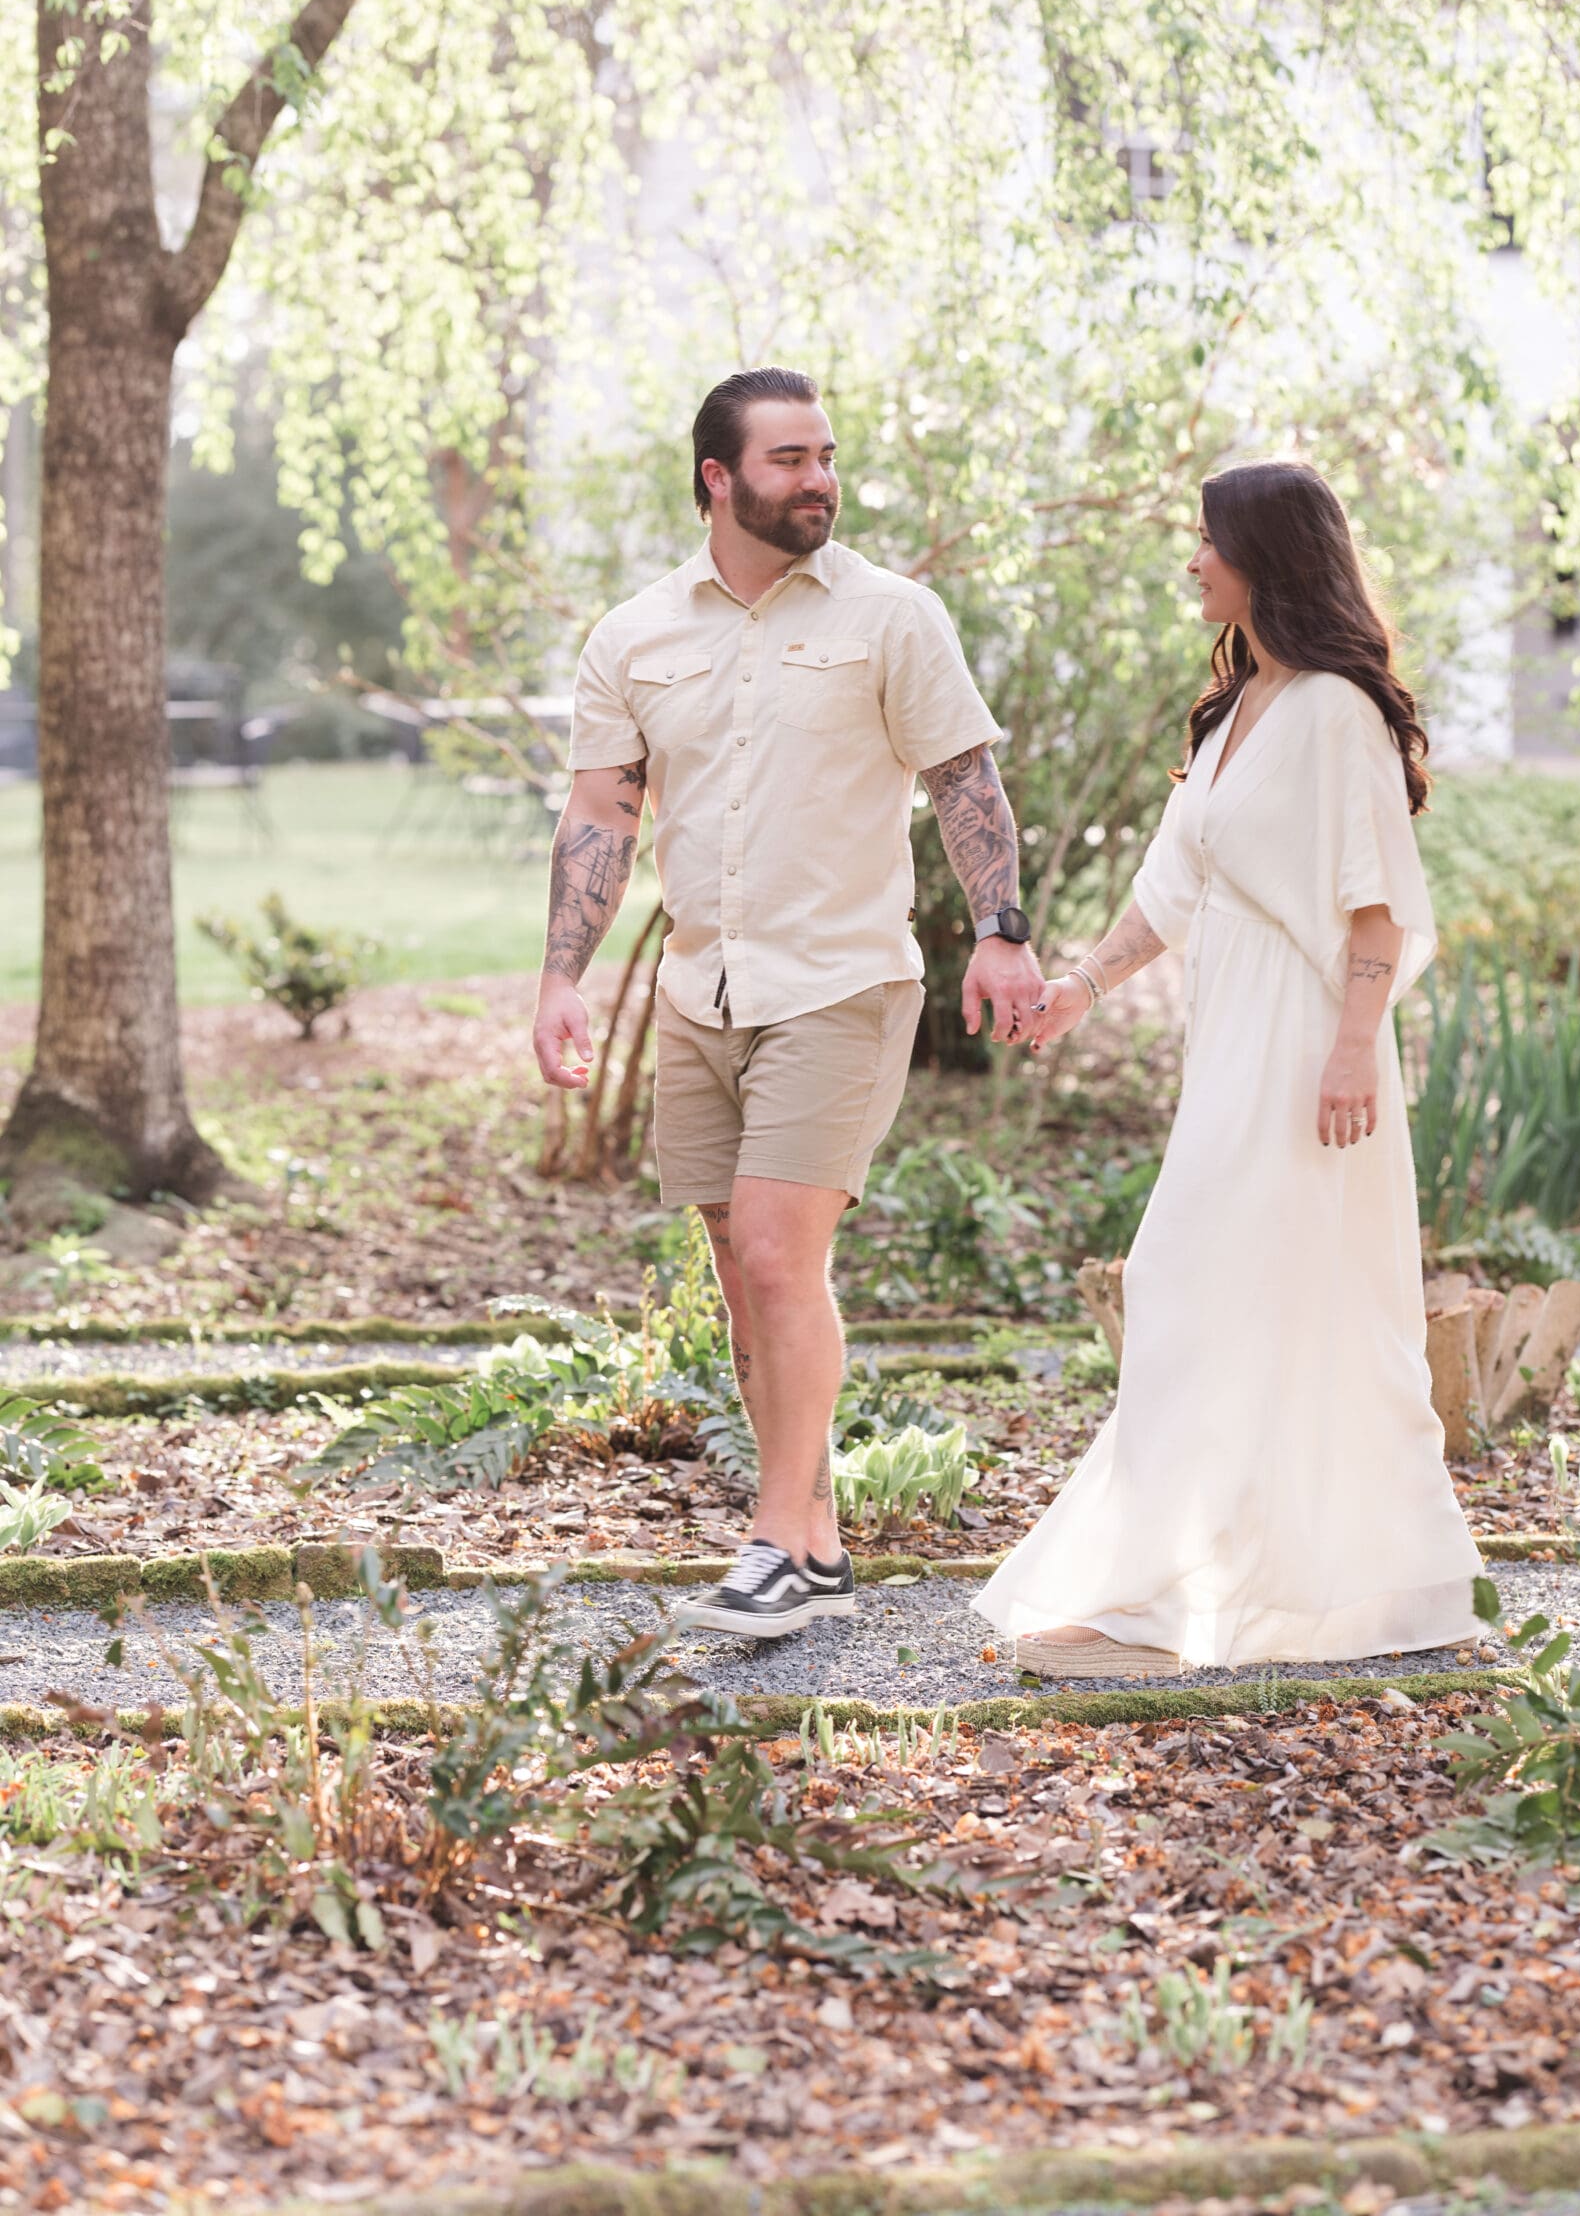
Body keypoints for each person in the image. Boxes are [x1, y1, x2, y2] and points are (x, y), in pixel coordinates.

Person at [533, 366, 1045, 1639]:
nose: (818, 478)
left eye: (825, 456)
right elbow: (604, 810)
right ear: (719, 478)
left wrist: (1002, 930)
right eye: (788, 460)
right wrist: (561, 976)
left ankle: (770, 1541)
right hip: (704, 989)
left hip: (841, 983)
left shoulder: (893, 616)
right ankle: (812, 1541)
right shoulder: (635, 634)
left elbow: (965, 781)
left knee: (776, 1252)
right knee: (739, 1268)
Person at [975, 460, 1481, 1677]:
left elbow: (1375, 909)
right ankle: (1243, 1586)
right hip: (1233, 1048)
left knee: (1211, 1288)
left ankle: (1163, 1598)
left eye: (1209, 540)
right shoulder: (1236, 712)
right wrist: (1077, 993)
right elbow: (1170, 895)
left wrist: (1355, 1051)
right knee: (1236, 1298)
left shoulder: (1336, 713)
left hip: (1311, 1055)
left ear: (1266, 556)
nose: (1192, 559)